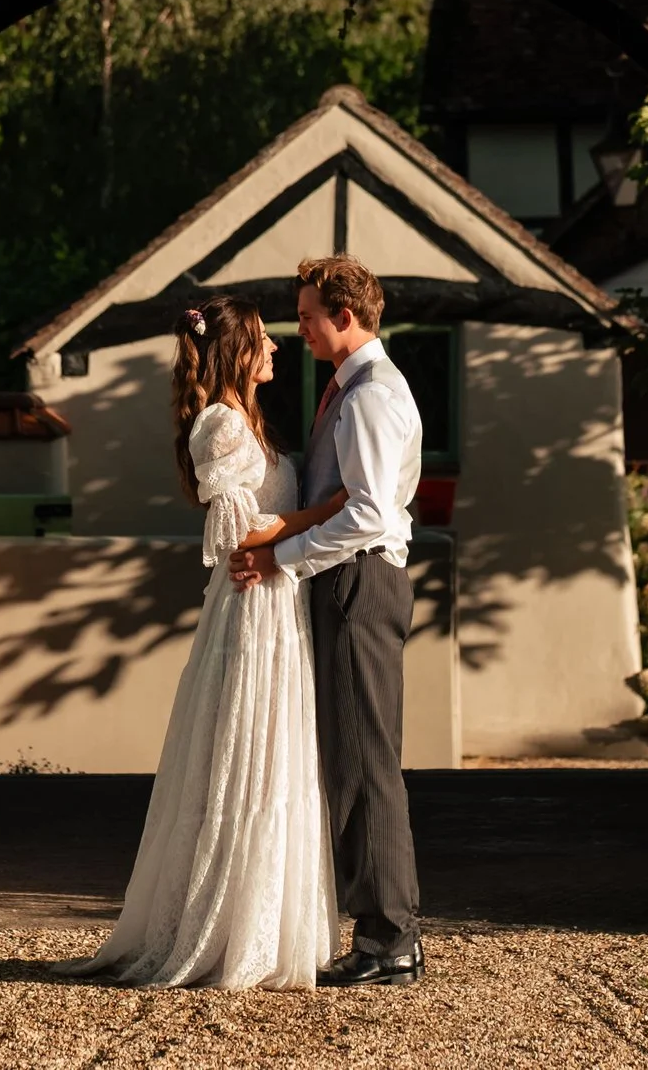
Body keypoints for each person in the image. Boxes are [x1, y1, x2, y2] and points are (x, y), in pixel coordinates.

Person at [56, 295, 347, 989]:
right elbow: (234, 532)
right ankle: (220, 928)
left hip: (280, 604)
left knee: (273, 754)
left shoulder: (249, 421)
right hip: (250, 610)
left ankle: (269, 927)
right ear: (238, 350)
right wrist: (325, 512)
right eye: (264, 340)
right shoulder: (218, 424)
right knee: (244, 753)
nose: (277, 348)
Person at [229, 253, 426, 988]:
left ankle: (388, 939)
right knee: (357, 757)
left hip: (358, 582)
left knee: (364, 761)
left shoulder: (372, 394)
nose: (301, 328)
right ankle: (387, 930)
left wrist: (284, 557)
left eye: (309, 315)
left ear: (344, 315)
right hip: (349, 580)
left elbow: (371, 512)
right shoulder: (354, 388)